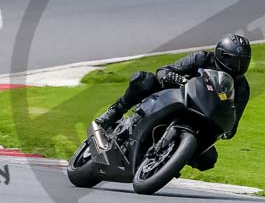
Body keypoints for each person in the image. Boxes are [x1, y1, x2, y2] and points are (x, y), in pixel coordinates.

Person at [95, 34, 251, 171]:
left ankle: (172, 159)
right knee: (144, 80)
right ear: (222, 55)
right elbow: (164, 70)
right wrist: (172, 77)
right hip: (177, 97)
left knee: (209, 159)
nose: (238, 66)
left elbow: (233, 120)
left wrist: (227, 129)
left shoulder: (242, 88)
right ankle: (114, 111)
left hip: (203, 118)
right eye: (235, 60)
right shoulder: (202, 58)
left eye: (243, 61)